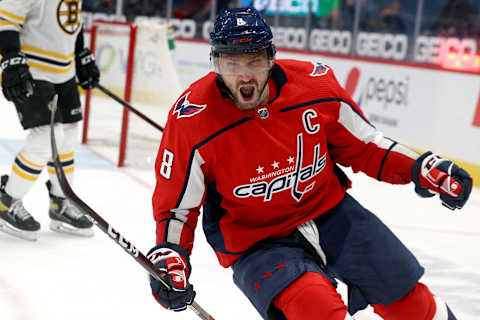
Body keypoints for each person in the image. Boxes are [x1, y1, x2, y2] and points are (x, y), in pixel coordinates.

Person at [146, 7, 472, 320]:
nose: (244, 74)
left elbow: (365, 146)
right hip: (258, 241)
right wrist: (172, 254)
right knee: (318, 310)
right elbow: (177, 206)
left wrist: (422, 168)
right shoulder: (191, 119)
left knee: (410, 302)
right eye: (231, 63)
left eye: (254, 61)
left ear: (271, 59)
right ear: (215, 63)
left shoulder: (314, 86)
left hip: (332, 213)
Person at [0, 0, 100, 241]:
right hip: (31, 67)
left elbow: (72, 20)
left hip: (64, 71)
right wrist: (11, 57)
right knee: (46, 136)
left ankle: (61, 203)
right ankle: (6, 200)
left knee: (68, 136)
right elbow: (6, 17)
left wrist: (81, 54)